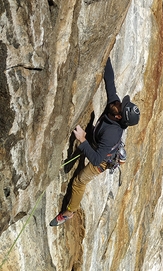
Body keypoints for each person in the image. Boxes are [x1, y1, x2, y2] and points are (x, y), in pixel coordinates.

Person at [50, 58, 140, 226]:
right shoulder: (114, 105)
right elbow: (110, 81)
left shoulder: (113, 133)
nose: (118, 102)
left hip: (102, 161)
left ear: (119, 117)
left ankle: (69, 212)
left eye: (121, 106)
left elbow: (97, 159)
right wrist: (106, 58)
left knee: (79, 181)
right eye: (122, 103)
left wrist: (83, 140)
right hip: (98, 141)